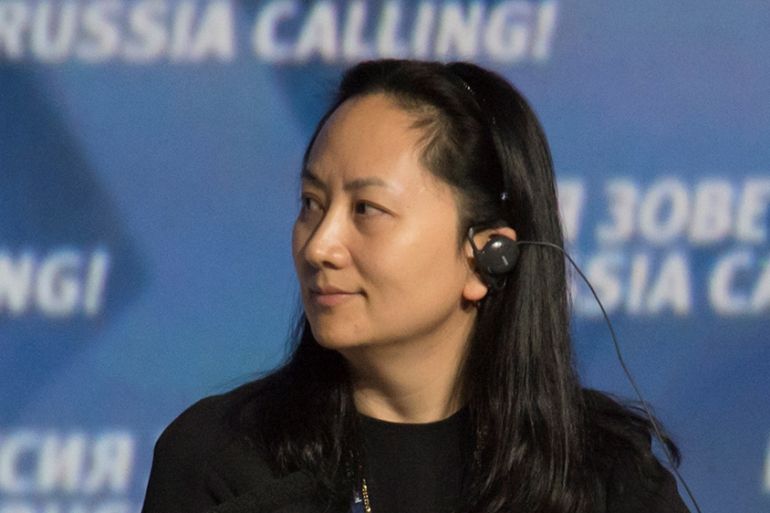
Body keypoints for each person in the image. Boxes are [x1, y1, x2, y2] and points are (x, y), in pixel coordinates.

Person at [141, 59, 692, 513]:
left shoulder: (604, 475)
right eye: (311, 203)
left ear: (485, 256)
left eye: (367, 209)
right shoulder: (222, 460)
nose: (319, 246)